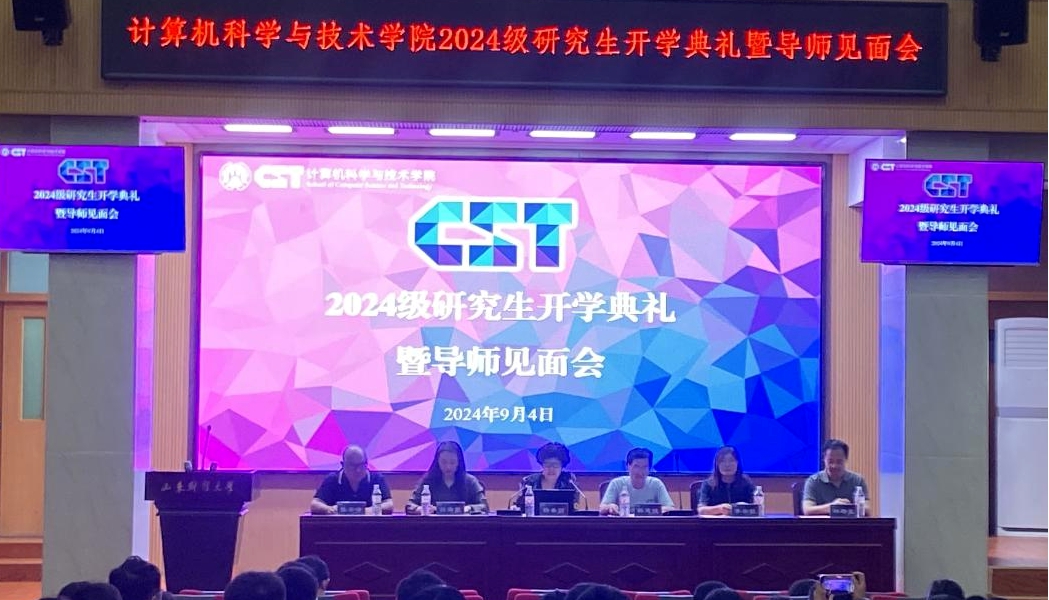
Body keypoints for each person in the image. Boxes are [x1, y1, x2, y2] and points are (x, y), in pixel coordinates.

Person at [406, 441, 487, 514]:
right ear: (437, 461)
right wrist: (421, 509)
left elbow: (484, 507)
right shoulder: (428, 480)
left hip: (463, 524)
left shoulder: (470, 481)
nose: (448, 467)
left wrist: (469, 508)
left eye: (452, 462)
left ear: (459, 462)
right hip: (434, 524)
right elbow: (410, 506)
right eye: (444, 462)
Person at [311, 445, 394, 515]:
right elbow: (315, 504)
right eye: (352, 466)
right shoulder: (332, 479)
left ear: (366, 463)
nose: (358, 470)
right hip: (339, 526)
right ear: (342, 464)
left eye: (361, 465)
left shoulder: (376, 479)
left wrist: (368, 511)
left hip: (370, 526)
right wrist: (329, 509)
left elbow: (389, 504)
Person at [598, 447, 674, 515]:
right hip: (623, 524)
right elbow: (602, 509)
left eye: (644, 467)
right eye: (636, 466)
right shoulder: (617, 483)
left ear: (649, 468)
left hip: (649, 524)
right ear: (627, 466)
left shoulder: (656, 484)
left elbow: (670, 508)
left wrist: (655, 510)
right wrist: (610, 507)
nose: (640, 471)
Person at [803, 439, 869, 516]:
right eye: (830, 461)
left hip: (849, 523)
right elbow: (807, 510)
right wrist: (833, 507)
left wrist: (846, 508)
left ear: (846, 459)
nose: (834, 466)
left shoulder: (857, 480)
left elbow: (867, 509)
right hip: (823, 523)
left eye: (839, 461)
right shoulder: (813, 481)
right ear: (824, 459)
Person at [515, 442, 581, 509]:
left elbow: (574, 507)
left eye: (555, 465)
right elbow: (520, 506)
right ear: (542, 465)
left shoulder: (569, 482)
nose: (551, 469)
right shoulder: (530, 481)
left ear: (562, 466)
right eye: (547, 465)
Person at [697, 446, 756, 515]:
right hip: (716, 521)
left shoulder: (746, 483)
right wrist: (719, 509)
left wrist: (741, 507)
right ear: (717, 464)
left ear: (737, 463)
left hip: (740, 521)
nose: (727, 465)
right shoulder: (708, 484)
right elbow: (701, 510)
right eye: (723, 461)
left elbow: (757, 507)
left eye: (731, 461)